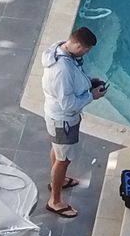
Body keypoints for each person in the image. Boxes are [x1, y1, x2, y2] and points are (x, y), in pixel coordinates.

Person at [40, 26, 105, 217]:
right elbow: (68, 104)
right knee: (63, 160)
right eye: (85, 49)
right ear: (75, 43)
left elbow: (72, 82)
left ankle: (57, 182)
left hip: (57, 117)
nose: (86, 53)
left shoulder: (60, 49)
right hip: (63, 120)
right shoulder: (61, 70)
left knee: (58, 151)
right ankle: (55, 201)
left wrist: (88, 83)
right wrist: (91, 95)